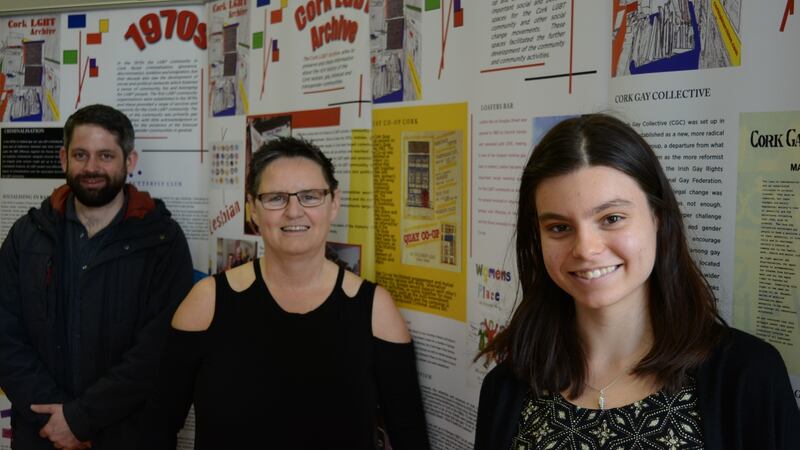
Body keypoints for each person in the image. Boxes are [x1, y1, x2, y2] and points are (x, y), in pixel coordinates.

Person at [474, 114, 800, 449]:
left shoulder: (748, 376)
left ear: (657, 218)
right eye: (559, 227)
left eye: (611, 218)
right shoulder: (508, 386)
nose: (586, 249)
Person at [158, 136, 429, 449]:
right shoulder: (207, 302)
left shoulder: (374, 309)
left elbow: (410, 437)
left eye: (310, 196)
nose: (293, 211)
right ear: (253, 210)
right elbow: (158, 426)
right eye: (275, 198)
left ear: (334, 203)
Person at [0, 104, 194, 450]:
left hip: (129, 437)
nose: (92, 167)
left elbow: (158, 352)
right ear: (63, 159)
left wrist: (81, 419)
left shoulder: (163, 241)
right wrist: (56, 422)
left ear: (129, 162)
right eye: (81, 154)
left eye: (106, 155)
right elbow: (5, 336)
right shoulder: (26, 236)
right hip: (42, 434)